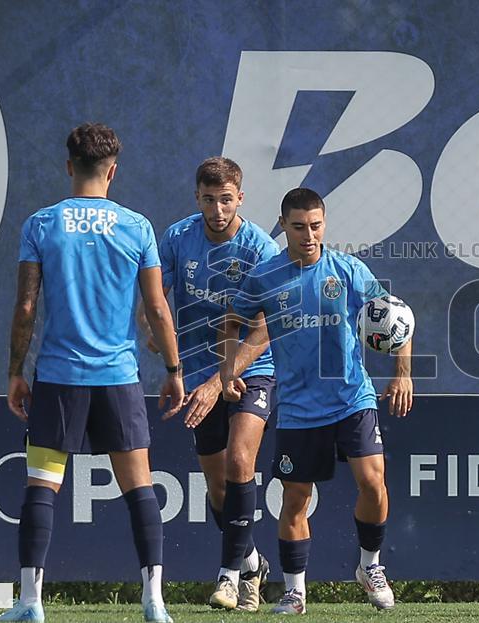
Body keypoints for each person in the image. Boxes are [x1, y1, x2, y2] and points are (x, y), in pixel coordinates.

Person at [0, 123, 184, 623]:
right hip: (119, 378)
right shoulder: (136, 227)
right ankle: (155, 603)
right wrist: (173, 369)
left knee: (41, 485)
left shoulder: (42, 224)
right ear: (113, 171)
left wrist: (16, 372)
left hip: (58, 376)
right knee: (140, 488)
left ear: (68, 166)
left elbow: (25, 306)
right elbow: (159, 310)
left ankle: (31, 603)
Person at [220, 188, 413, 614]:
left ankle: (370, 565)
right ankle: (294, 591)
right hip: (299, 409)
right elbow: (233, 321)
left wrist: (402, 373)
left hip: (351, 397)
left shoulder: (346, 270)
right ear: (283, 225)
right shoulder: (266, 276)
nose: (308, 235)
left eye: (316, 226)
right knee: (295, 499)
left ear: (324, 224)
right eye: (298, 226)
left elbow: (397, 315)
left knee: (372, 481)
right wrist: (228, 369)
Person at [144, 157, 277, 611]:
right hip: (199, 369)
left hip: (250, 366)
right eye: (208, 199)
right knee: (219, 488)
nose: (217, 209)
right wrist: (153, 331)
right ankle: (253, 562)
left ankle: (227, 577)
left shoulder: (260, 247)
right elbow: (154, 294)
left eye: (226, 200)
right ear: (196, 197)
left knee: (241, 461)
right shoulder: (178, 238)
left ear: (240, 197)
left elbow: (265, 327)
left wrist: (224, 380)